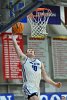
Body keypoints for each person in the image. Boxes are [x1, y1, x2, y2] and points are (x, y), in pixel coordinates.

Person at [12, 34, 62, 100]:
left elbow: (45, 77)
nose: (30, 51)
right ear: (26, 54)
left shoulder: (40, 63)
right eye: (28, 50)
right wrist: (14, 39)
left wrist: (55, 84)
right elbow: (18, 50)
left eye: (31, 50)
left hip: (36, 88)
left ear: (34, 54)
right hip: (28, 86)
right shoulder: (24, 59)